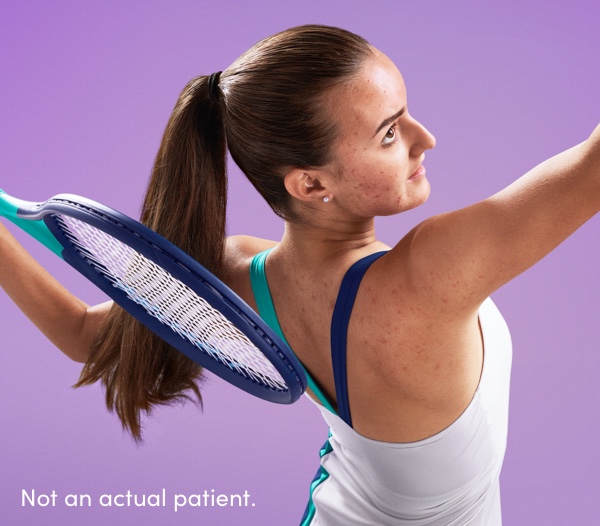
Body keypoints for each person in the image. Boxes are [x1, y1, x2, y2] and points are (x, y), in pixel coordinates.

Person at [0, 24, 598, 525]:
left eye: (406, 114)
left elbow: (83, 331)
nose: (424, 139)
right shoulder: (431, 274)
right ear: (311, 184)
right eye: (390, 134)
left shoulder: (238, 277)